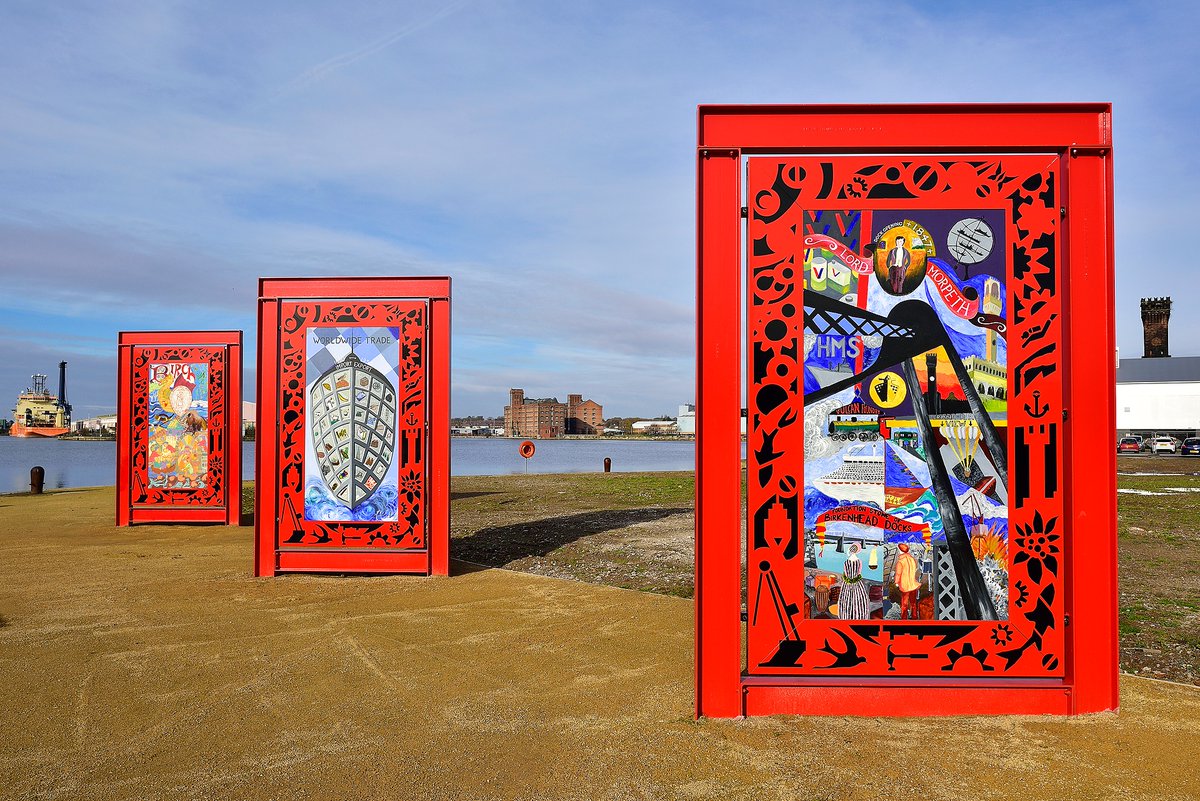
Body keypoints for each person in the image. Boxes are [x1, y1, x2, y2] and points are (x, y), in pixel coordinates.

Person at [837, 543, 872, 620]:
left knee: (846, 599)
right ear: (857, 551)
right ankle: (858, 616)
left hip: (847, 583)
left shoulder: (846, 562)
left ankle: (846, 616)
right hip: (857, 583)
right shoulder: (859, 561)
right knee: (859, 599)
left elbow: (845, 574)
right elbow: (859, 573)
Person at [894, 542, 922, 619]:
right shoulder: (912, 559)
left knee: (904, 604)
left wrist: (896, 582)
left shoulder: (900, 562)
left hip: (905, 585)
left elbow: (898, 574)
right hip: (913, 584)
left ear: (900, 551)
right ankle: (914, 616)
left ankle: (904, 618)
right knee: (913, 603)